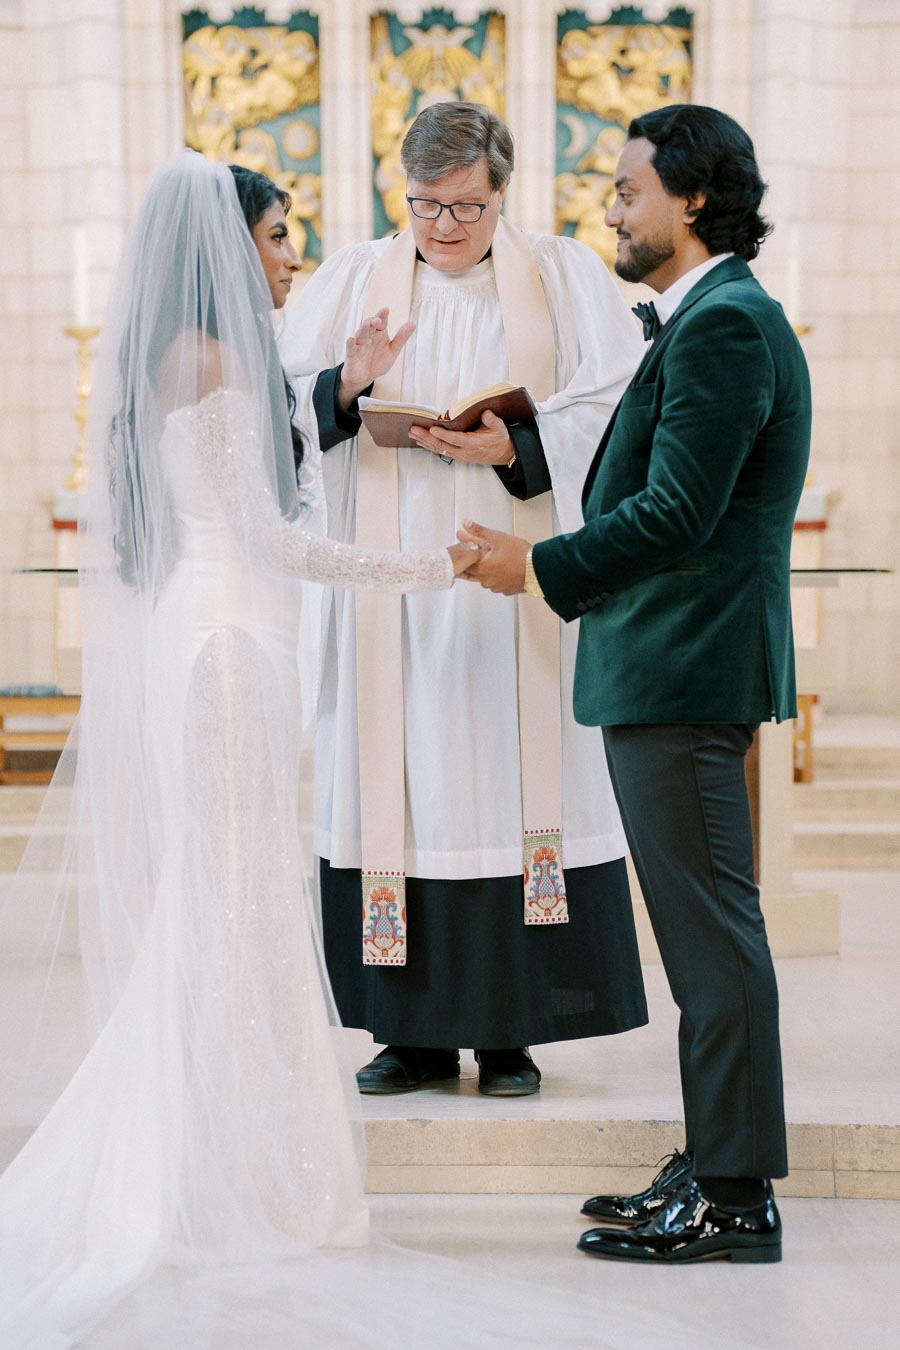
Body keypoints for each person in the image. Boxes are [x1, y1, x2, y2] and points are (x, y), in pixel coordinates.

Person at [459, 104, 811, 1263]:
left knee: (714, 942)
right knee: (705, 938)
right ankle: (716, 1155)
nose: (612, 207)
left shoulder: (724, 326)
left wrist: (538, 567)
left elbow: (678, 512)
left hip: (683, 665)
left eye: (627, 189)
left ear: (693, 199)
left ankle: (736, 1193)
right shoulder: (708, 318)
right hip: (665, 664)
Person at [281, 101, 648, 1097]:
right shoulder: (356, 278)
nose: (442, 229)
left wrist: (516, 446)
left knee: (500, 788)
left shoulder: (564, 277)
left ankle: (510, 1032)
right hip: (390, 599)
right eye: (425, 207)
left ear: (503, 193)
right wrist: (347, 390)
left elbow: (619, 410)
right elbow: (279, 408)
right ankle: (409, 1036)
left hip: (509, 594)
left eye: (466, 209)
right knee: (400, 791)